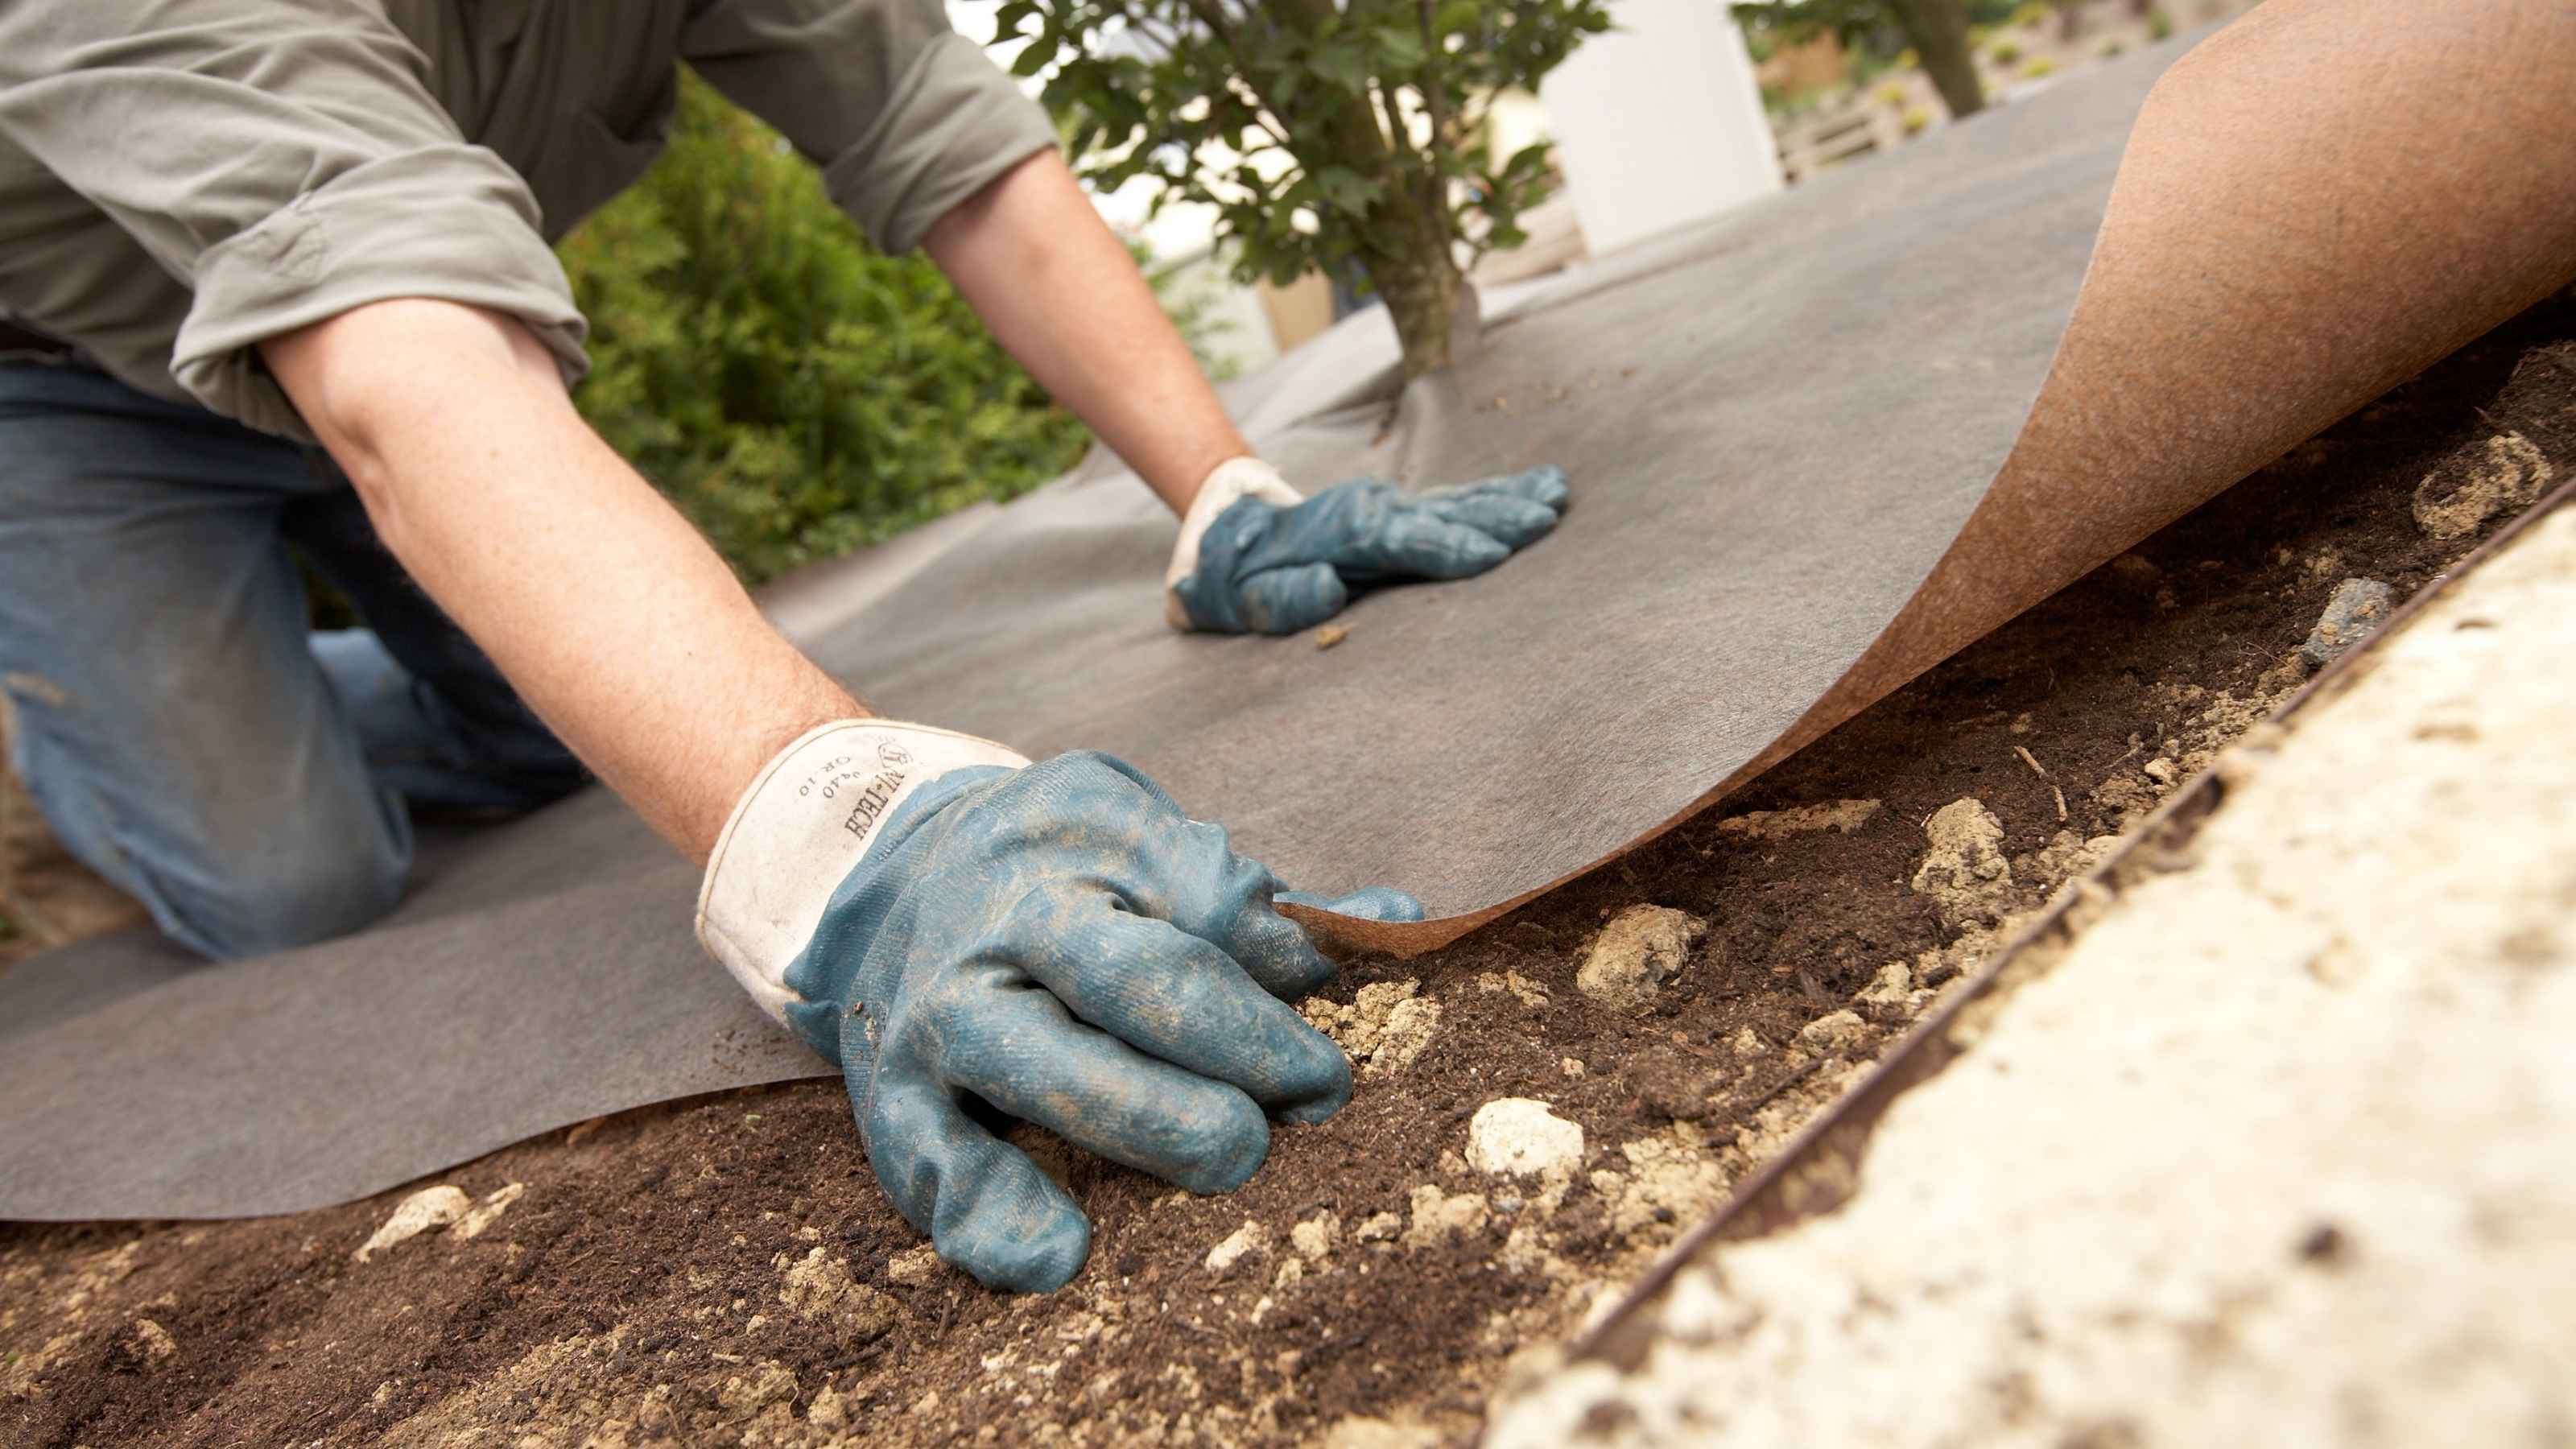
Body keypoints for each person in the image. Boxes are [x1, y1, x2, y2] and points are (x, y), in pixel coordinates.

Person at [0, 1, 1567, 1292]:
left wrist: (1221, 496)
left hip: (418, 349)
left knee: (580, 730)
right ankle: (78, 739)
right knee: (292, 879)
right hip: (85, 397)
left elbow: (935, 130)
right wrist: (849, 832)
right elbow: (398, 374)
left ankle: (318, 693)